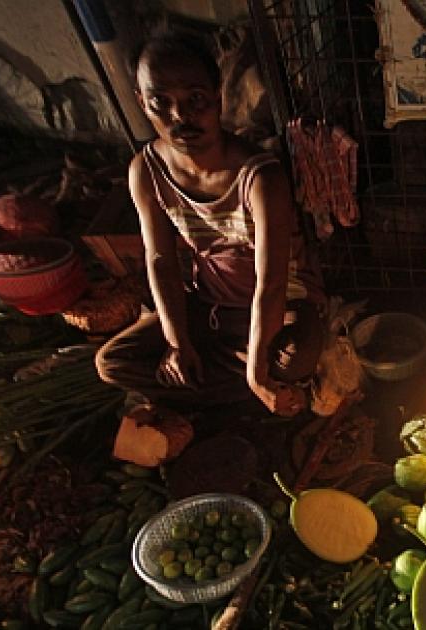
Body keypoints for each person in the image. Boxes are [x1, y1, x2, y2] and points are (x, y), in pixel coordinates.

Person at [95, 32, 326, 418]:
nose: (180, 117)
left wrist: (256, 371)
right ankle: (235, 388)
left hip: (277, 305)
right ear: (141, 102)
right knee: (112, 362)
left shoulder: (260, 178)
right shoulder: (146, 171)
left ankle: (230, 385)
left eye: (195, 99)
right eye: (160, 102)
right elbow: (160, 260)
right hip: (211, 304)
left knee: (294, 357)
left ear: (217, 97)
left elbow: (271, 284)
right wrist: (177, 342)